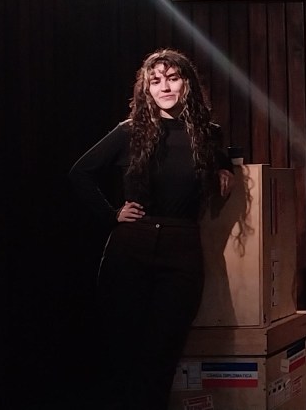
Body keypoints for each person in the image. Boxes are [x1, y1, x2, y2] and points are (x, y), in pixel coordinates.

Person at [69, 49, 234, 410]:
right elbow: (80, 173)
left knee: (162, 355)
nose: (165, 87)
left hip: (182, 250)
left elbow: (221, 157)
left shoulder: (207, 134)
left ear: (187, 83)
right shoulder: (130, 132)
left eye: (172, 78)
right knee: (123, 354)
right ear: (146, 88)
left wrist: (225, 169)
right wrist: (112, 214)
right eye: (155, 81)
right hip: (132, 247)